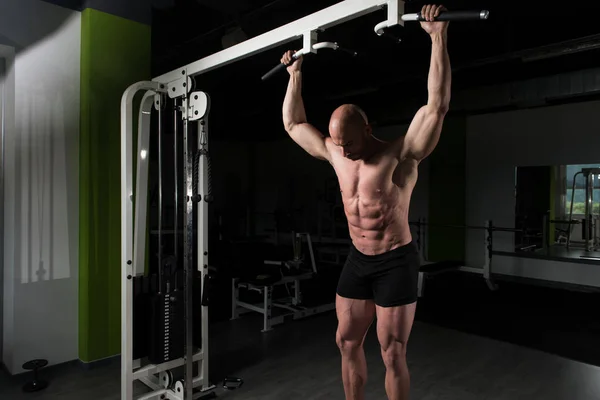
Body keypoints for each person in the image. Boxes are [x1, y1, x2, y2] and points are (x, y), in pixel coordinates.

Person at [280, 3, 450, 399]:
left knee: (392, 352)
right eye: (339, 144)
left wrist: (438, 38)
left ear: (368, 129)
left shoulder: (400, 154)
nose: (345, 151)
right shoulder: (337, 151)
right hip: (359, 259)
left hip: (395, 260)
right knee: (346, 342)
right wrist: (294, 76)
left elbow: (437, 106)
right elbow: (293, 124)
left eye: (351, 143)